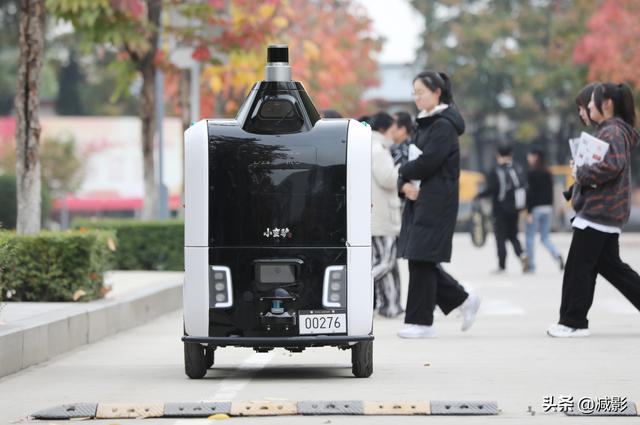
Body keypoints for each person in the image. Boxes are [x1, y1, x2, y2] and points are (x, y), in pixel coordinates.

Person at [548, 82, 640, 338]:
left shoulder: (612, 132)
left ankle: (573, 322)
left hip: (599, 212)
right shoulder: (611, 131)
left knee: (578, 268)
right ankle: (572, 320)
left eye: (590, 103)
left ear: (607, 103)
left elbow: (613, 166)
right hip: (604, 212)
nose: (587, 108)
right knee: (612, 267)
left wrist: (581, 171)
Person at [396, 70, 480, 338]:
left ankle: (422, 323)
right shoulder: (426, 123)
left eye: (420, 92)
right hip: (421, 200)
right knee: (422, 259)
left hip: (437, 202)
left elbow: (428, 162)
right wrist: (404, 185)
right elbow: (415, 161)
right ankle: (462, 301)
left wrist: (403, 171)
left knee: (422, 257)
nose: (416, 98)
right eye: (414, 93)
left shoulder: (443, 126)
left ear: (437, 93)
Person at [370, 111, 404, 318]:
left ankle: (390, 305)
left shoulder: (367, 147)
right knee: (386, 262)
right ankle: (355, 286)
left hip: (376, 215)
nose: (394, 134)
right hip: (383, 216)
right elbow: (388, 179)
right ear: (384, 129)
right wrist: (401, 169)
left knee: (387, 262)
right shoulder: (378, 150)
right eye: (392, 130)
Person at [476, 142, 529, 273]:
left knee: (500, 237)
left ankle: (502, 265)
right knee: (513, 235)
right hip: (515, 208)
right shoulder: (517, 167)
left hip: (499, 209)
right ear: (511, 154)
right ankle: (522, 254)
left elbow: (491, 189)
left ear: (497, 154)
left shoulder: (495, 170)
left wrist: (478, 196)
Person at [525, 147, 563, 273]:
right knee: (545, 238)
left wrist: (529, 211)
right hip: (547, 208)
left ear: (535, 157)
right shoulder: (548, 173)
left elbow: (530, 194)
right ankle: (557, 255)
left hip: (535, 210)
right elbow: (551, 193)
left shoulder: (532, 174)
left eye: (530, 156)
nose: (528, 158)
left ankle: (531, 266)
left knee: (530, 237)